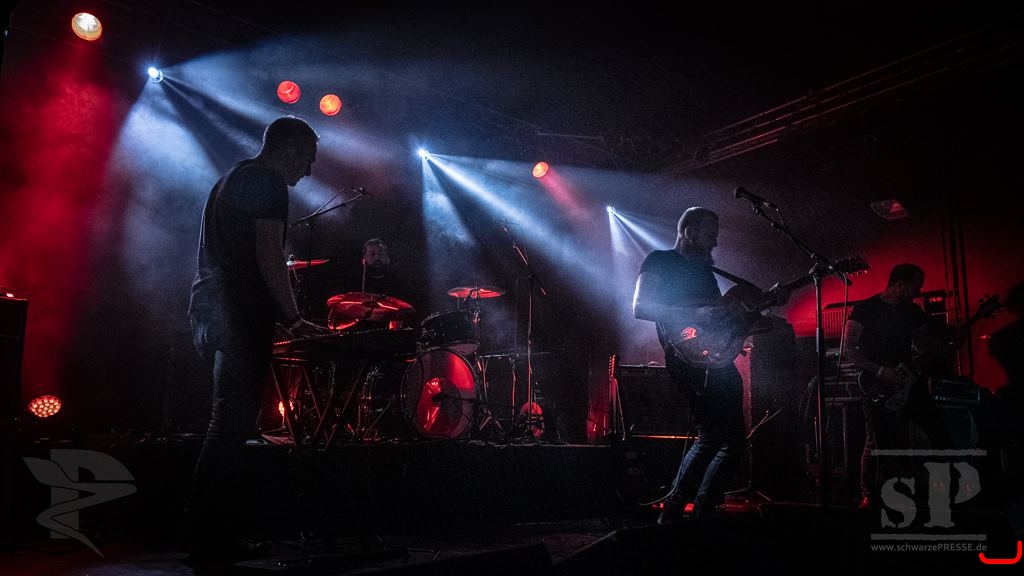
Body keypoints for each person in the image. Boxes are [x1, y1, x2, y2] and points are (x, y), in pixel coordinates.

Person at [184, 116, 326, 563]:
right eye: (307, 159)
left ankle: (209, 536)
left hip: (208, 310)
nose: (308, 171)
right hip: (237, 315)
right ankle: (209, 540)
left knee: (224, 426)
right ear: (289, 148)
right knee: (229, 428)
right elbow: (269, 255)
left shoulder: (229, 179)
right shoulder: (268, 183)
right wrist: (295, 319)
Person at [633, 207, 765, 523]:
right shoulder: (659, 261)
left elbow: (717, 316)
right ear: (690, 232)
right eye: (710, 234)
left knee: (735, 441)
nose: (715, 242)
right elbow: (641, 306)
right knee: (711, 437)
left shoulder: (705, 273)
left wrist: (755, 311)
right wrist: (694, 314)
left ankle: (704, 509)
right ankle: (673, 511)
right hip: (685, 357)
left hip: (715, 357)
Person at [842, 263, 953, 509]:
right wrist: (881, 371)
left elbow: (924, 347)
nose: (918, 292)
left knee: (938, 432)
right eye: (916, 287)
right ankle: (870, 495)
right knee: (878, 441)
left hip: (908, 380)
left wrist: (943, 347)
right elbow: (849, 349)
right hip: (876, 383)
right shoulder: (865, 309)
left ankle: (943, 490)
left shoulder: (913, 312)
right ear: (900, 285)